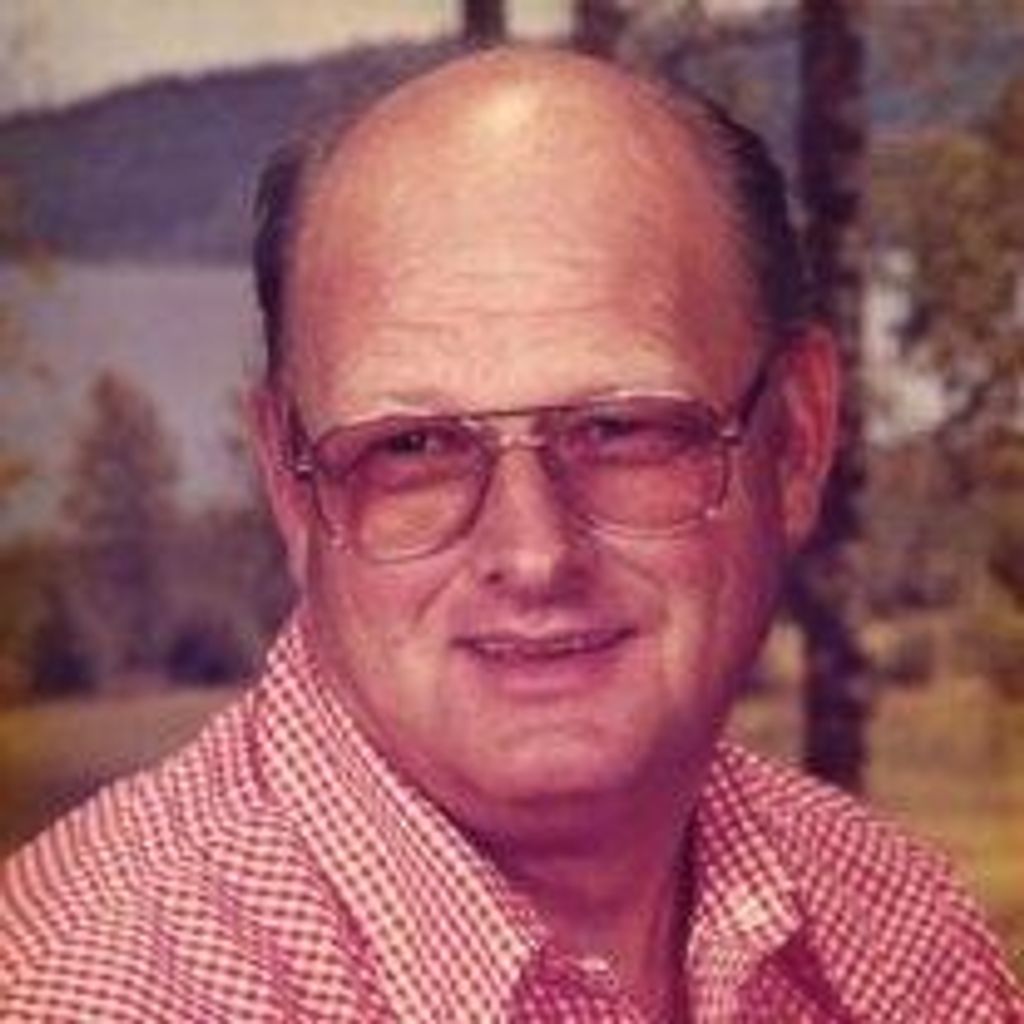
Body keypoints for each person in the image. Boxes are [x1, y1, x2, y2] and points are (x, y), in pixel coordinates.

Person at [2, 47, 1020, 1023]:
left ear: (796, 439)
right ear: (289, 484)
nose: (533, 556)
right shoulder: (90, 990)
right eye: (412, 448)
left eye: (619, 430)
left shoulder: (905, 941)